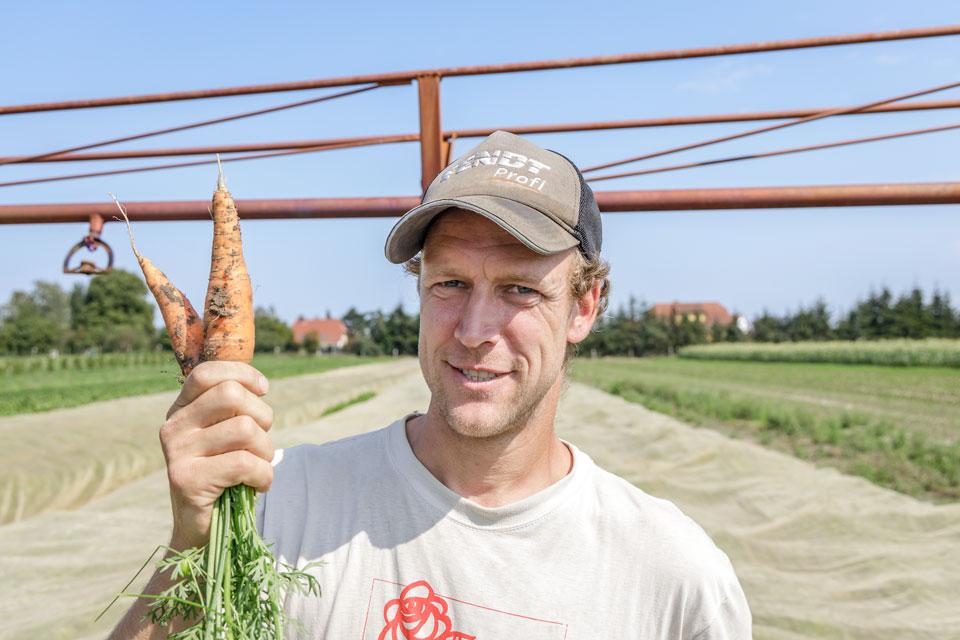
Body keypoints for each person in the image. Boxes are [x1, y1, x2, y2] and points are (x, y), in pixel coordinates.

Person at [110, 131, 751, 639]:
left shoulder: (673, 577)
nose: (474, 330)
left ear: (584, 307)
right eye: (449, 284)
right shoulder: (278, 506)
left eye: (519, 289)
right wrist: (189, 550)